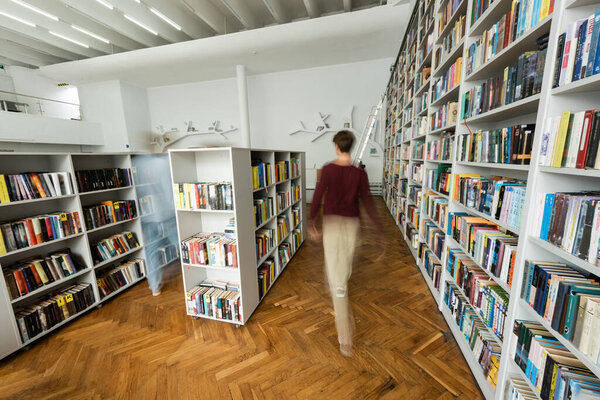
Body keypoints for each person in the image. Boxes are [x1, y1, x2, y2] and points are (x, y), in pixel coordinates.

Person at [309, 130, 384, 357]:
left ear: (336, 146)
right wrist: (380, 232)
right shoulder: (359, 174)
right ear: (350, 147)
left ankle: (346, 341)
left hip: (332, 226)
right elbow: (369, 203)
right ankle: (335, 279)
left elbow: (318, 196)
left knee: (339, 286)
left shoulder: (328, 170)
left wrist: (312, 222)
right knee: (341, 269)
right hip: (352, 227)